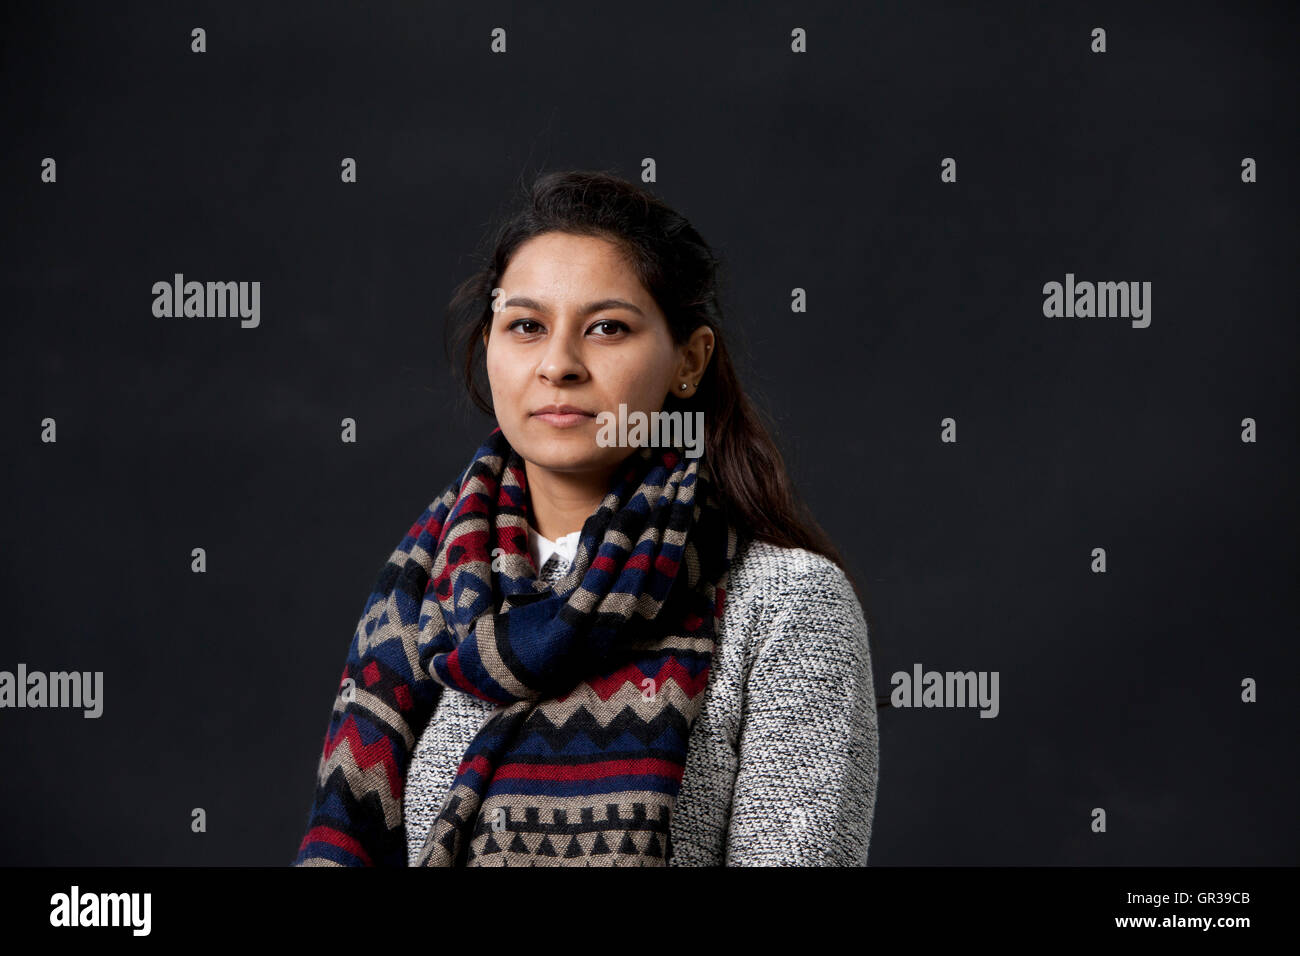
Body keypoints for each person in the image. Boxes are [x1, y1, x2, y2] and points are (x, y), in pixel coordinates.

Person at [292, 169, 879, 867]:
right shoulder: (424, 602)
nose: (559, 364)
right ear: (489, 345)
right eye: (527, 326)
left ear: (688, 361)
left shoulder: (785, 604)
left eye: (607, 328)